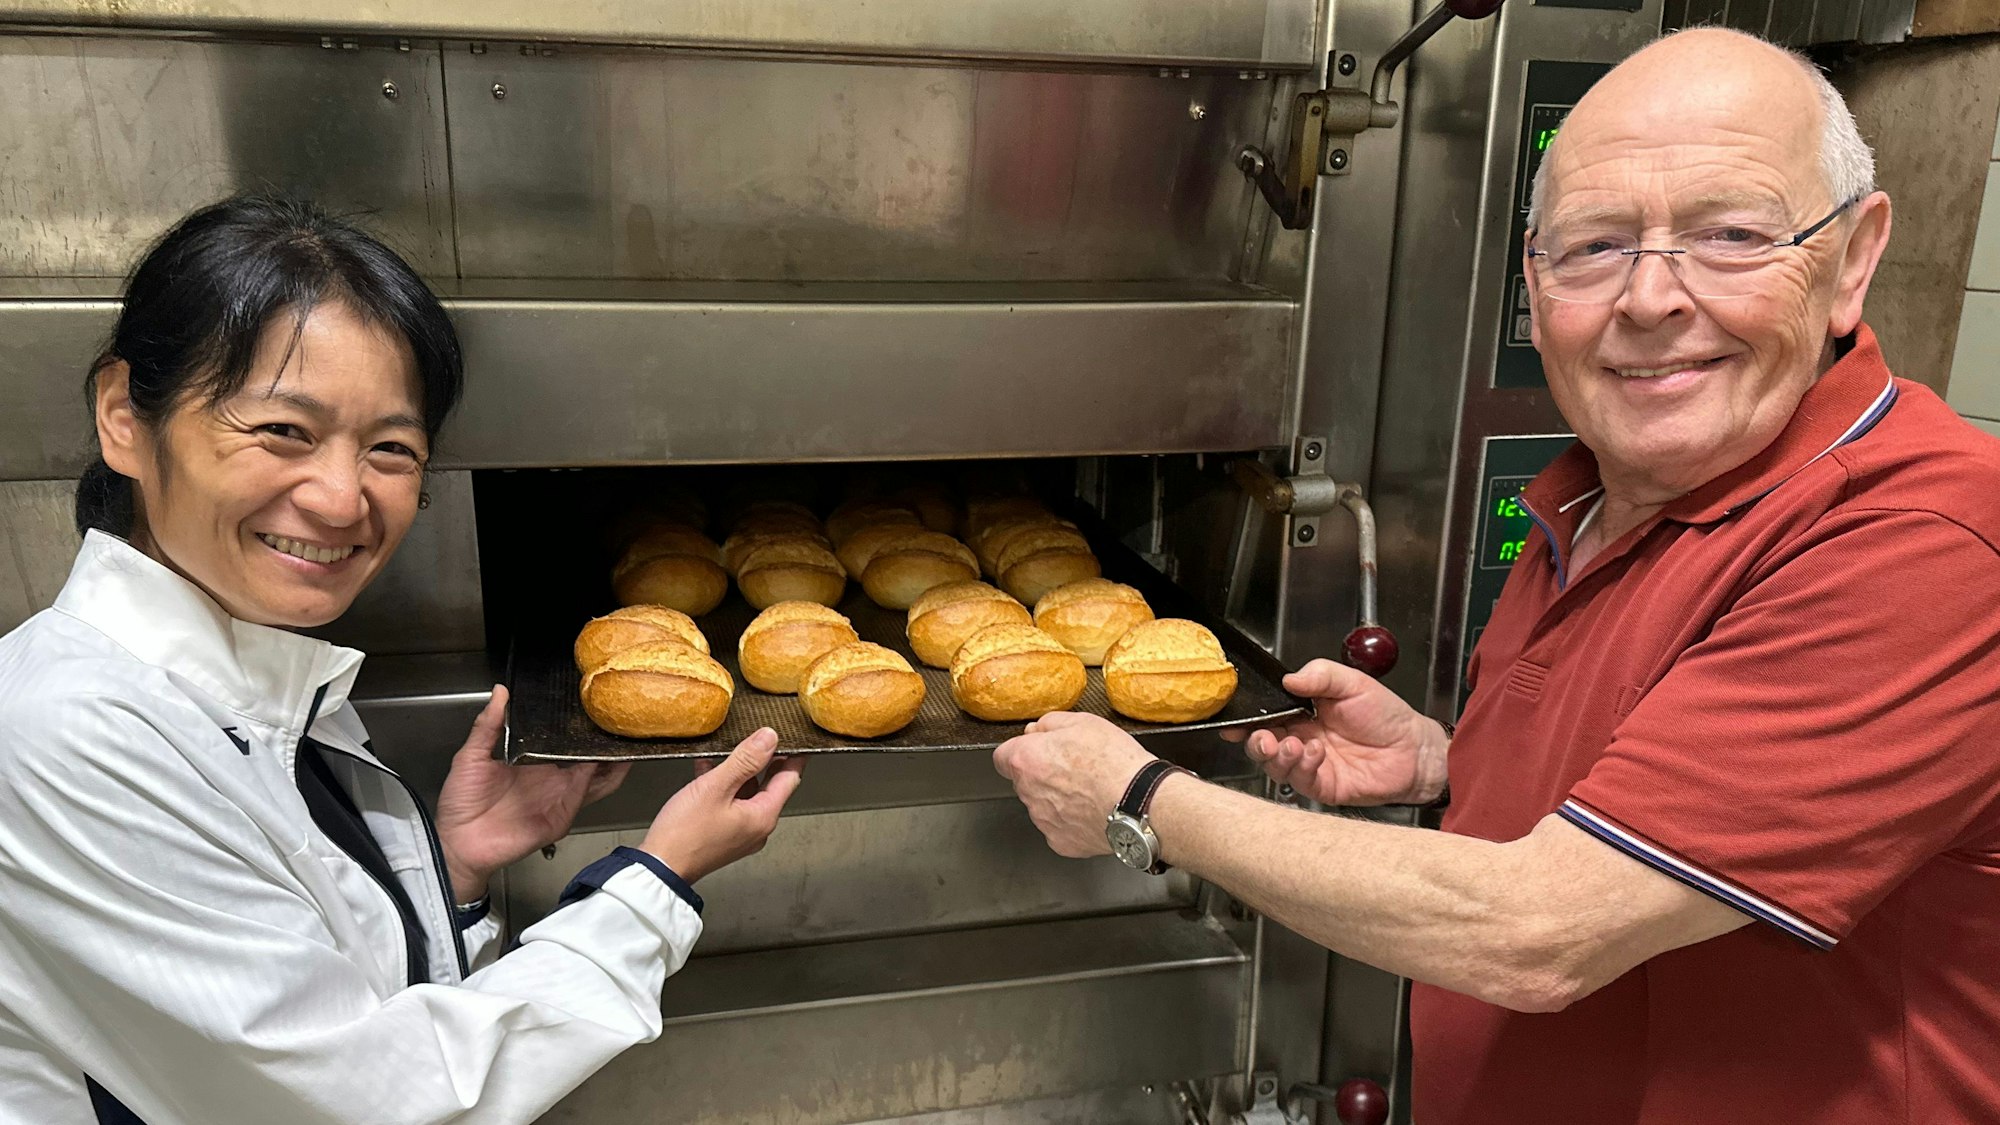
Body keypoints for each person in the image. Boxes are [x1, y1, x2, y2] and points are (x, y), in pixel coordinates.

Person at [994, 28, 2000, 1125]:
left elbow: (1541, 932)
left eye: (1729, 234)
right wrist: (1446, 766)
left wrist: (1138, 801)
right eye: (1593, 245)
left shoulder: (1925, 542)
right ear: (1533, 280)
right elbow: (1676, 790)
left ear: (1852, 258)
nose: (1650, 298)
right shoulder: (1606, 487)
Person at [0, 197, 802, 1124]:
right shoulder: (62, 734)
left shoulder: (256, 679)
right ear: (124, 417)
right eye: (283, 432)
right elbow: (364, 1103)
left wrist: (452, 863)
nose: (343, 500)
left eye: (390, 448)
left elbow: (314, 989)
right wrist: (655, 883)